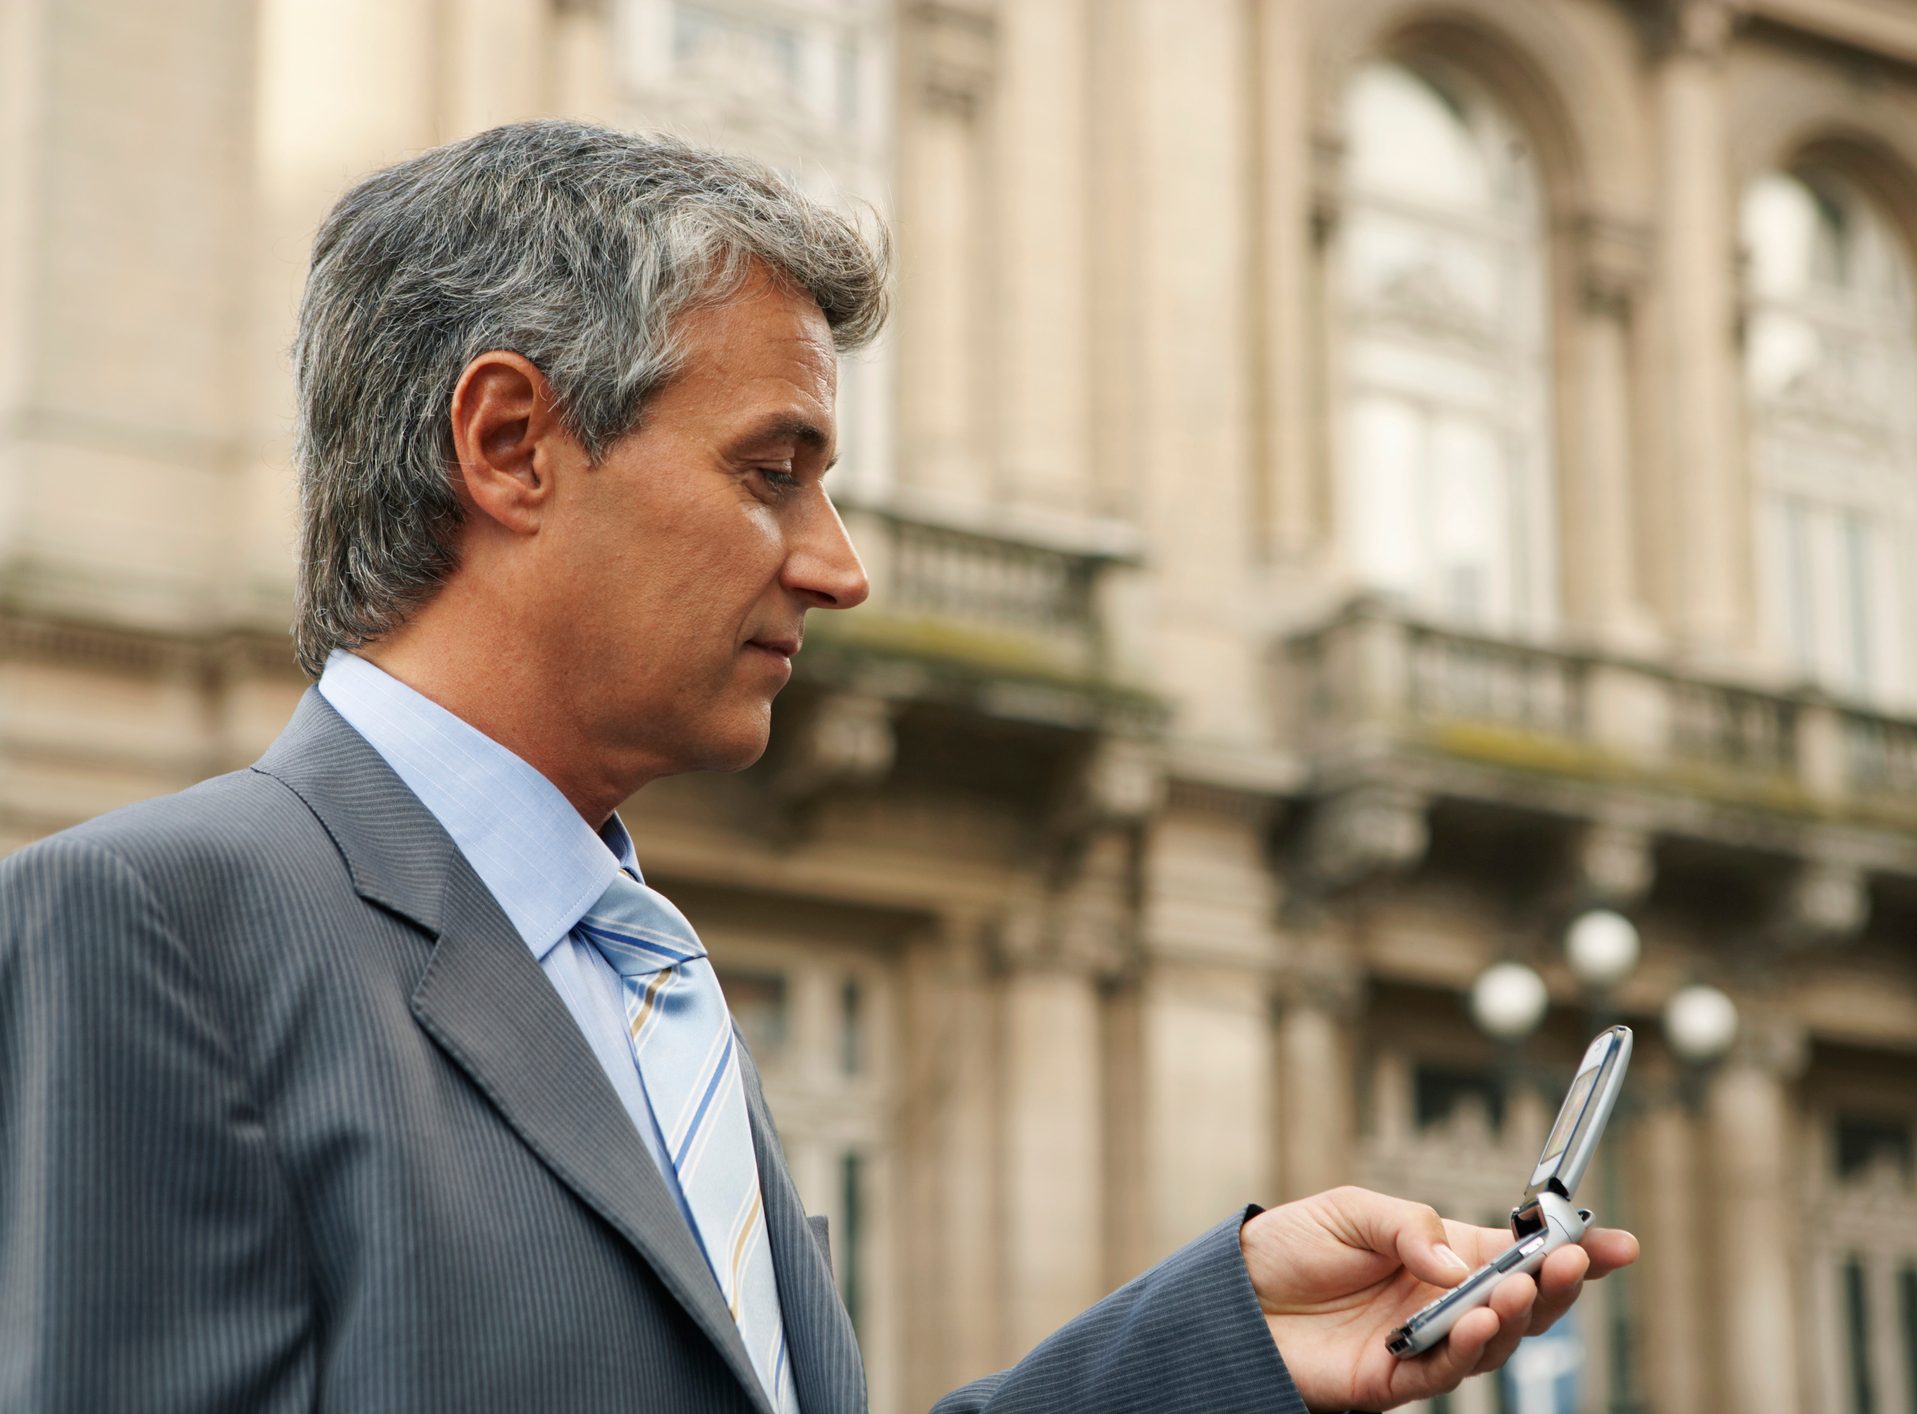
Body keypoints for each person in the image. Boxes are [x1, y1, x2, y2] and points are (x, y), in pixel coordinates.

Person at [0, 120, 1635, 1413]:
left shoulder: (637, 962)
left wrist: (1221, 1342)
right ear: (508, 445)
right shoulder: (152, 921)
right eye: (770, 472)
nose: (837, 566)